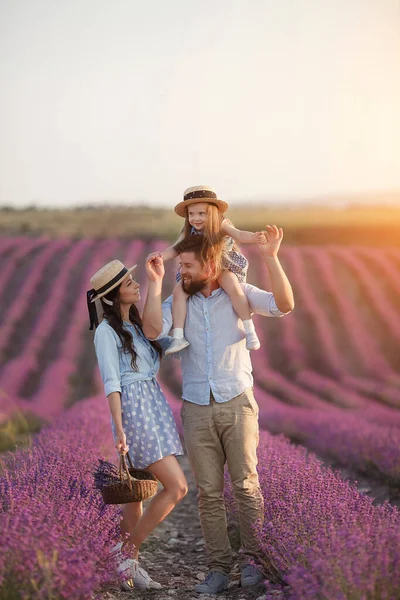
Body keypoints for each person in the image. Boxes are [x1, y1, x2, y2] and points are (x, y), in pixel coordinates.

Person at [145, 225, 294, 595]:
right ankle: (217, 568)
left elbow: (284, 304)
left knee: (246, 486)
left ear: (210, 262)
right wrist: (155, 281)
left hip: (237, 402)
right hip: (196, 406)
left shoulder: (238, 293)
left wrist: (271, 257)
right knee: (208, 493)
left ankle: (252, 562)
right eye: (179, 265)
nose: (183, 271)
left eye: (188, 265)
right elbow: (151, 331)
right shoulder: (178, 300)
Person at [87, 256, 188, 591]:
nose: (136, 285)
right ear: (116, 295)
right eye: (130, 283)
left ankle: (130, 569)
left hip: (153, 407)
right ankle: (125, 552)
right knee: (177, 487)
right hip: (135, 412)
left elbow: (163, 342)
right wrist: (118, 429)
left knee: (136, 496)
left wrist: (164, 282)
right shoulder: (105, 332)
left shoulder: (137, 326)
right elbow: (112, 383)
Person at [147, 185, 267, 356]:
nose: (195, 218)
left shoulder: (221, 224)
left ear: (212, 213)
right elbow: (175, 249)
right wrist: (160, 256)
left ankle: (249, 330)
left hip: (222, 266)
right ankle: (178, 336)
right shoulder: (189, 231)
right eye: (191, 214)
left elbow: (239, 235)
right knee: (179, 292)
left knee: (233, 287)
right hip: (199, 271)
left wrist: (256, 237)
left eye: (201, 213)